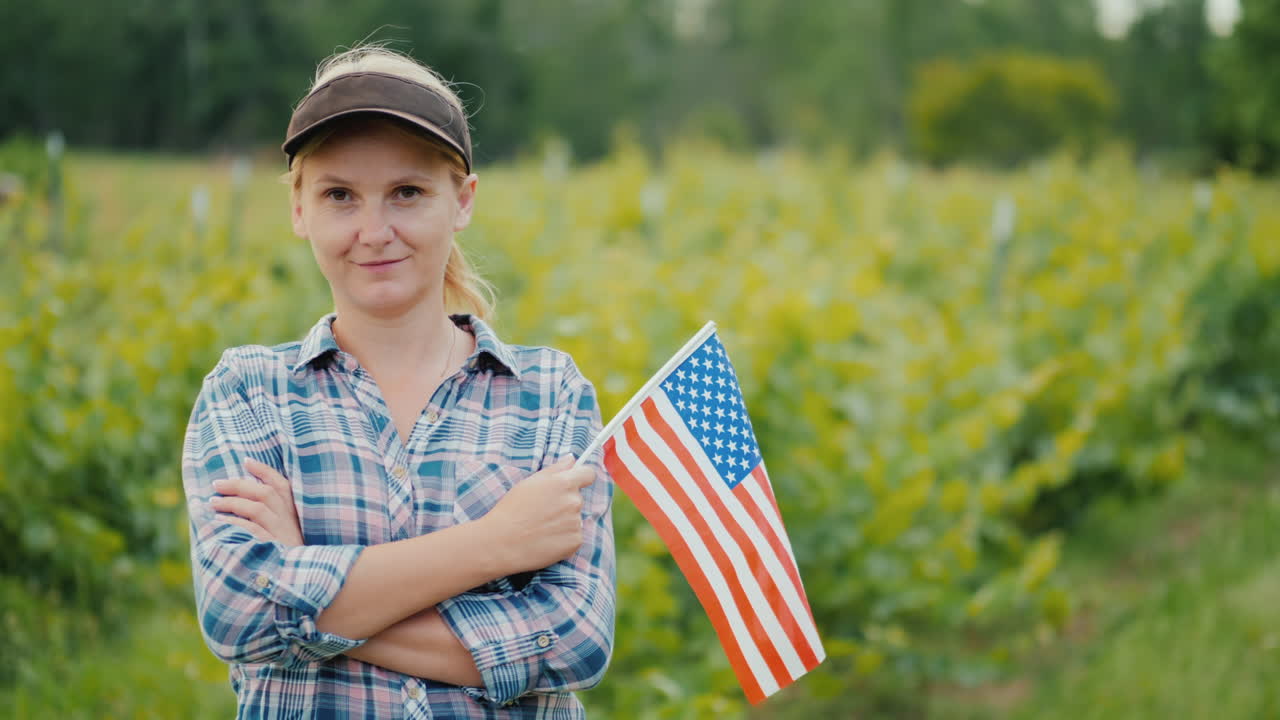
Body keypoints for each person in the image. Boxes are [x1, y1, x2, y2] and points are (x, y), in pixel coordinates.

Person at [180, 44, 615, 718]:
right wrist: (494, 545)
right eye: (339, 196)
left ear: (462, 201)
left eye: (407, 192)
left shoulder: (551, 392)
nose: (374, 231)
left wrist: (306, 591)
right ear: (300, 210)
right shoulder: (249, 393)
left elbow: (573, 642)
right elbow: (237, 614)